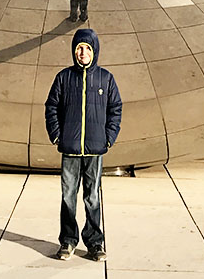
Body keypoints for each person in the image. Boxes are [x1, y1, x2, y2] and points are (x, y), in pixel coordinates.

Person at [45, 28, 122, 262]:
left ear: (94, 51)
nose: (83, 53)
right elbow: (51, 107)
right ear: (74, 51)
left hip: (95, 150)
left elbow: (115, 109)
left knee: (93, 198)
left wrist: (108, 137)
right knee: (68, 197)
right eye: (79, 48)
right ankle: (67, 241)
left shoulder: (105, 78)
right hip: (69, 149)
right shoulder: (64, 78)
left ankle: (95, 243)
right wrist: (58, 135)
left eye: (87, 48)